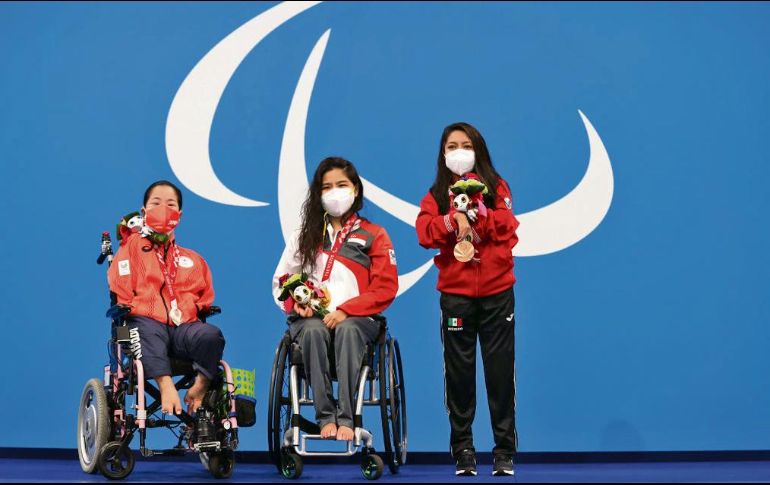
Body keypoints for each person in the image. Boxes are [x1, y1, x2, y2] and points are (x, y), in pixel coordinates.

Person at [416, 122, 519, 477]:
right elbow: (424, 232)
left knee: (500, 373)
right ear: (442, 154)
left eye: (465, 145)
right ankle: (463, 450)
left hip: (497, 294)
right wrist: (451, 220)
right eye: (451, 146)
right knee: (459, 376)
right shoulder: (436, 194)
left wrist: (479, 216)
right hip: (456, 296)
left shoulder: (496, 187)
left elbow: (508, 227)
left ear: (478, 149)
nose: (458, 151)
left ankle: (504, 451)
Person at [272, 157, 399, 441]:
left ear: (355, 189)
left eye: (341, 185)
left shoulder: (374, 235)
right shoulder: (304, 236)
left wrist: (346, 310)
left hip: (358, 320)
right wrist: (297, 304)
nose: (334, 192)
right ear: (318, 194)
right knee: (314, 331)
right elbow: (282, 280)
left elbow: (386, 288)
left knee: (348, 329)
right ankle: (325, 417)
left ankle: (347, 417)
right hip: (312, 321)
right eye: (326, 187)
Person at [108, 180, 225, 416]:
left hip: (183, 328)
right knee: (144, 331)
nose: (163, 209)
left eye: (170, 204)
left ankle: (201, 386)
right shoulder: (130, 249)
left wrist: (195, 309)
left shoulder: (194, 260)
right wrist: (132, 307)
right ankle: (166, 386)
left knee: (211, 335)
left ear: (179, 214)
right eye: (156, 203)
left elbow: (205, 298)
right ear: (144, 211)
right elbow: (120, 287)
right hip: (145, 322)